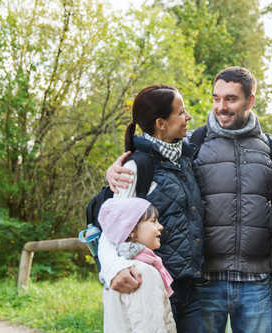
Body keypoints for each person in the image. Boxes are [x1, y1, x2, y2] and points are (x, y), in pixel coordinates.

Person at [105, 67, 272, 333]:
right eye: (216, 98)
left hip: (256, 283)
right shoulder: (191, 144)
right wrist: (112, 173)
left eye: (230, 99)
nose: (221, 107)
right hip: (203, 283)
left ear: (250, 101)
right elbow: (124, 198)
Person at [97, 85, 206, 332]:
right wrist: (113, 269)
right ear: (161, 123)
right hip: (156, 285)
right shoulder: (137, 167)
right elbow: (110, 232)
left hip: (191, 287)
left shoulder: (184, 158)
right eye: (181, 112)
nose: (187, 117)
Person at [99, 197, 176, 332]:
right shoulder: (141, 272)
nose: (160, 226)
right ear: (131, 230)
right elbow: (151, 328)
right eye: (153, 221)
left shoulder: (115, 271)